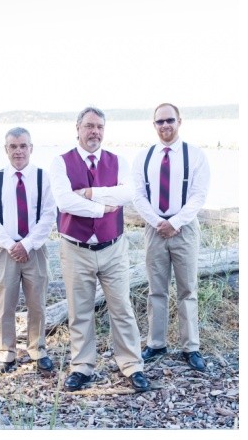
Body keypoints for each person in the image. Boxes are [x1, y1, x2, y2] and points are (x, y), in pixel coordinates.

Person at [50, 106, 149, 392]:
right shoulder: (60, 162)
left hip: (113, 247)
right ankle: (82, 366)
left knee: (122, 308)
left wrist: (91, 194)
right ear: (77, 128)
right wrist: (103, 207)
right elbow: (65, 201)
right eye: (89, 126)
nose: (95, 132)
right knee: (79, 310)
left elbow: (128, 194)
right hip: (75, 248)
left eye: (100, 127)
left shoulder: (118, 161)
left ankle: (132, 365)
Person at [131, 102, 210, 372]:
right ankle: (156, 343)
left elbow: (198, 195)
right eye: (160, 121)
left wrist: (175, 222)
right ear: (154, 125)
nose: (165, 125)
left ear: (179, 121)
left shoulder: (195, 155)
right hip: (154, 229)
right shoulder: (144, 156)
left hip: (184, 228)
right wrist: (158, 222)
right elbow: (139, 195)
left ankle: (191, 348)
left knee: (187, 289)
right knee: (157, 289)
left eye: (169, 120)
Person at [0, 128, 57, 374]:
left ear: (31, 148)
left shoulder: (43, 178)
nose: (18, 151)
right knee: (6, 303)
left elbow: (48, 214)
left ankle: (38, 349)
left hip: (35, 249)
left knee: (37, 303)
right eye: (13, 146)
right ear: (6, 150)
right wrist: (10, 244)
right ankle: (6, 352)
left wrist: (27, 244)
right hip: (6, 249)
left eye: (23, 145)